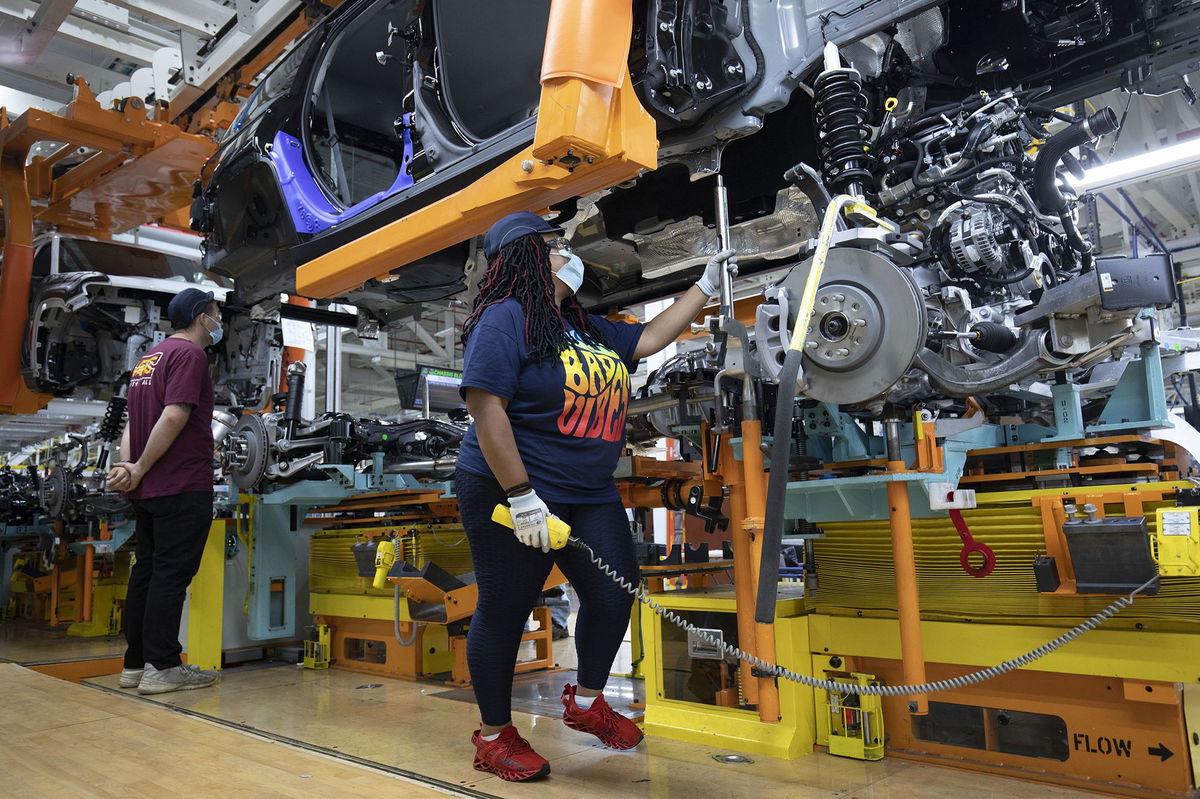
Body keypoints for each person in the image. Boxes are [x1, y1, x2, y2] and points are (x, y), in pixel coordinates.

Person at [456, 210, 735, 781]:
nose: (570, 254)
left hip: (587, 490)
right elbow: (486, 409)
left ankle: (585, 702)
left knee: (613, 598)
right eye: (558, 245)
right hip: (511, 486)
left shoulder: (588, 327)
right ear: (530, 256)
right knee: (506, 611)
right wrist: (522, 496)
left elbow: (653, 338)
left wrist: (704, 286)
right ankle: (492, 737)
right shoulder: (506, 319)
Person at [106, 287, 223, 695]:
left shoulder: (146, 360)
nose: (218, 320)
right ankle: (164, 666)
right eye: (215, 312)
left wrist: (130, 467)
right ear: (200, 316)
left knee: (148, 572)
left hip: (150, 488)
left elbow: (131, 424)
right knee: (171, 575)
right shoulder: (190, 355)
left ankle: (135, 664)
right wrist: (137, 466)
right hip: (180, 484)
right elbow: (175, 414)